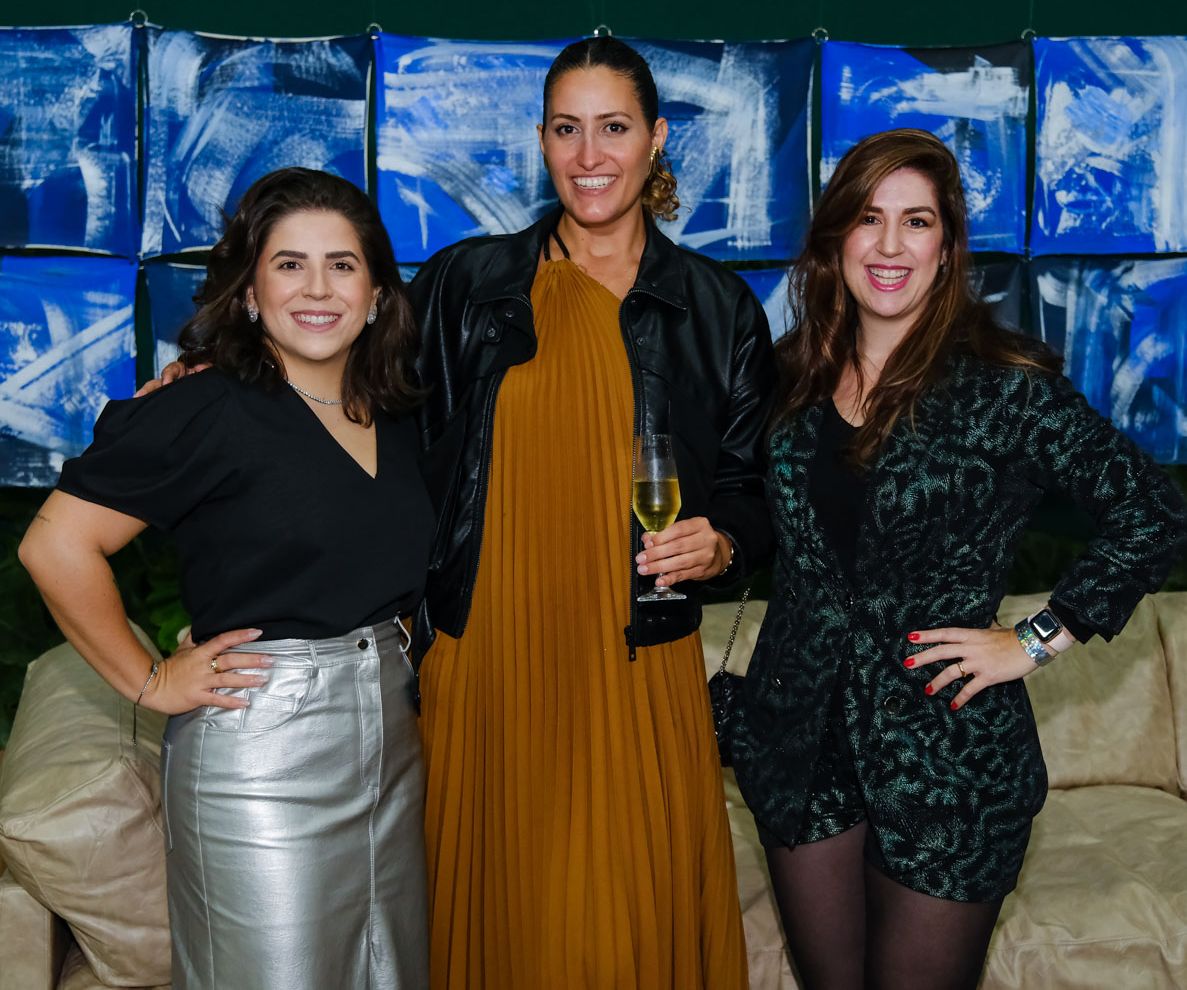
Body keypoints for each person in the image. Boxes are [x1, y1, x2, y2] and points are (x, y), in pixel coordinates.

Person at [730, 128, 1187, 990]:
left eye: (917, 221)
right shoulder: (790, 378)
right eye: (868, 218)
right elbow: (760, 525)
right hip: (799, 743)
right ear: (835, 238)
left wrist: (1036, 638)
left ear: (945, 250)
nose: (889, 245)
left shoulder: (1004, 387)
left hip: (948, 756)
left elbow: (1151, 510)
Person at [407, 36, 773, 989]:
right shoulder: (464, 285)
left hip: (635, 657)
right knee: (500, 927)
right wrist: (213, 372)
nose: (589, 155)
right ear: (540, 141)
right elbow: (362, 415)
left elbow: (752, 490)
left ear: (656, 138)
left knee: (621, 931)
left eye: (613, 128)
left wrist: (721, 542)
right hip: (486, 657)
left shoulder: (717, 308)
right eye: (566, 130)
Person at [19, 168, 434, 990]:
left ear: (378, 294)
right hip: (262, 760)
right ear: (249, 292)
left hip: (391, 748)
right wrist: (148, 681)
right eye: (289, 265)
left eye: (342, 265)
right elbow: (54, 546)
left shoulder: (397, 414)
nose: (317, 288)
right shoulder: (205, 408)